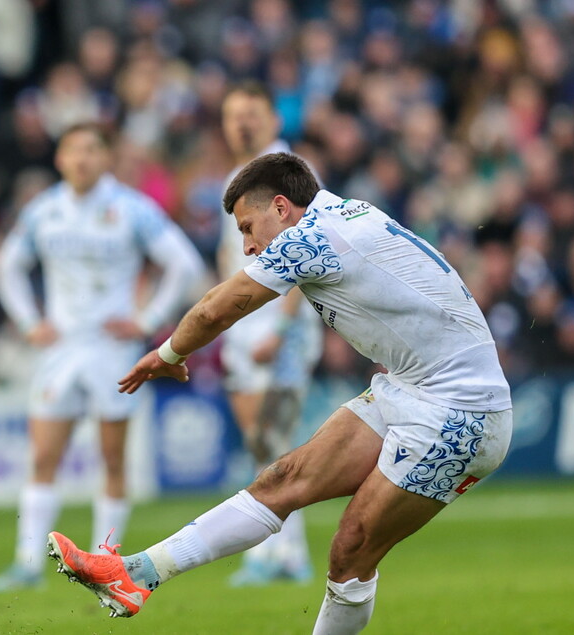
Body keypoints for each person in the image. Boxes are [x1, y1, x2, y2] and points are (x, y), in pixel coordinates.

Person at [46, 153, 513, 633]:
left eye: (249, 228)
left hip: (462, 413)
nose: (248, 246)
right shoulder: (344, 214)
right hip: (412, 386)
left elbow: (214, 311)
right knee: (282, 478)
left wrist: (167, 354)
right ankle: (135, 574)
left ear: (283, 208)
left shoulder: (313, 237)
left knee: (350, 548)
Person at [0, 122, 203, 591]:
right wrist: (29, 322)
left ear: (105, 158)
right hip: (61, 348)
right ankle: (27, 563)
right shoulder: (44, 211)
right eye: (71, 151)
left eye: (90, 150)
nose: (80, 159)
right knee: (44, 455)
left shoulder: (131, 209)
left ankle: (106, 560)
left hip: (112, 348)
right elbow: (6, 267)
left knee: (112, 458)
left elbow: (183, 263)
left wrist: (147, 321)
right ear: (59, 159)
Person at [217, 81, 322, 585]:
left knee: (274, 443)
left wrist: (282, 326)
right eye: (232, 114)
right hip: (243, 330)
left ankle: (277, 555)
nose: (241, 123)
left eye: (251, 112)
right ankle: (281, 553)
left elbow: (309, 253)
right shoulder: (235, 177)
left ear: (271, 118)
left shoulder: (287, 175)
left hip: (282, 327)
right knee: (264, 447)